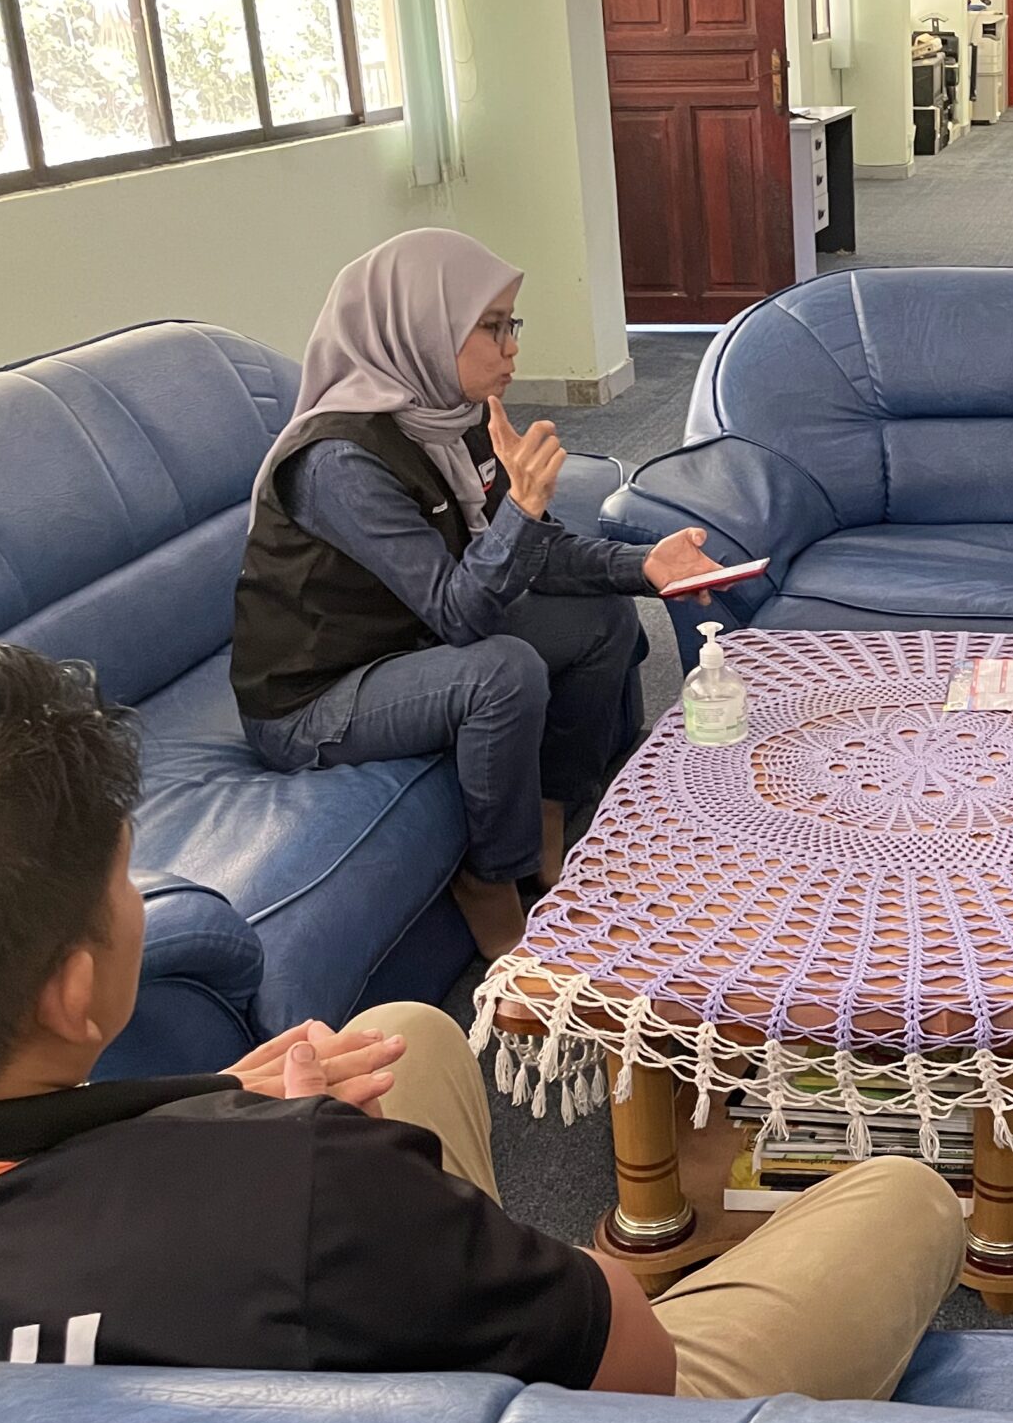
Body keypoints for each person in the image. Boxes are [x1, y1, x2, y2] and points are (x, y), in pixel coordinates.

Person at [0, 641, 963, 1399]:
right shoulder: (302, 1190)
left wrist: (208, 1111)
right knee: (909, 1202)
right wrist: (518, 1260)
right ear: (75, 991)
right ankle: (498, 1277)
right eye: (125, 879)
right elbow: (631, 1365)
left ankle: (477, 1276)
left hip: (250, 1297)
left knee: (409, 1032)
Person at [231, 228, 723, 960]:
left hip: (408, 644)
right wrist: (519, 509)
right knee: (503, 670)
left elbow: (534, 551)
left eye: (510, 323)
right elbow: (460, 613)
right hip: (316, 696)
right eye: (490, 327)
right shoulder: (339, 461)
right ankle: (490, 878)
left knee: (601, 620)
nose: (512, 348)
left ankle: (551, 817)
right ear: (421, 329)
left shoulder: (446, 419)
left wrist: (643, 565)